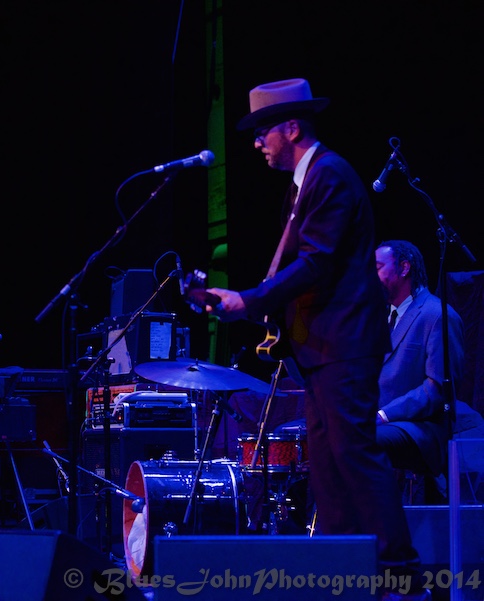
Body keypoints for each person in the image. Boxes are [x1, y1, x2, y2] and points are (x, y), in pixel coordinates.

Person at [203, 78, 427, 600]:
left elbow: (318, 262)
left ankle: (402, 576)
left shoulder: (329, 176)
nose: (257, 142)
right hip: (323, 346)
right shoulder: (305, 183)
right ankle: (347, 570)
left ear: (291, 127)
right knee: (327, 460)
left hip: (345, 342)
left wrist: (251, 300)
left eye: (263, 132)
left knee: (354, 454)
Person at [376, 239, 484, 503]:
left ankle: (380, 526)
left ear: (404, 268)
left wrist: (383, 414)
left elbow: (436, 390)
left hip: (423, 426)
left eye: (377, 267)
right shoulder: (381, 317)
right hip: (387, 421)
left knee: (362, 440)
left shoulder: (437, 315)